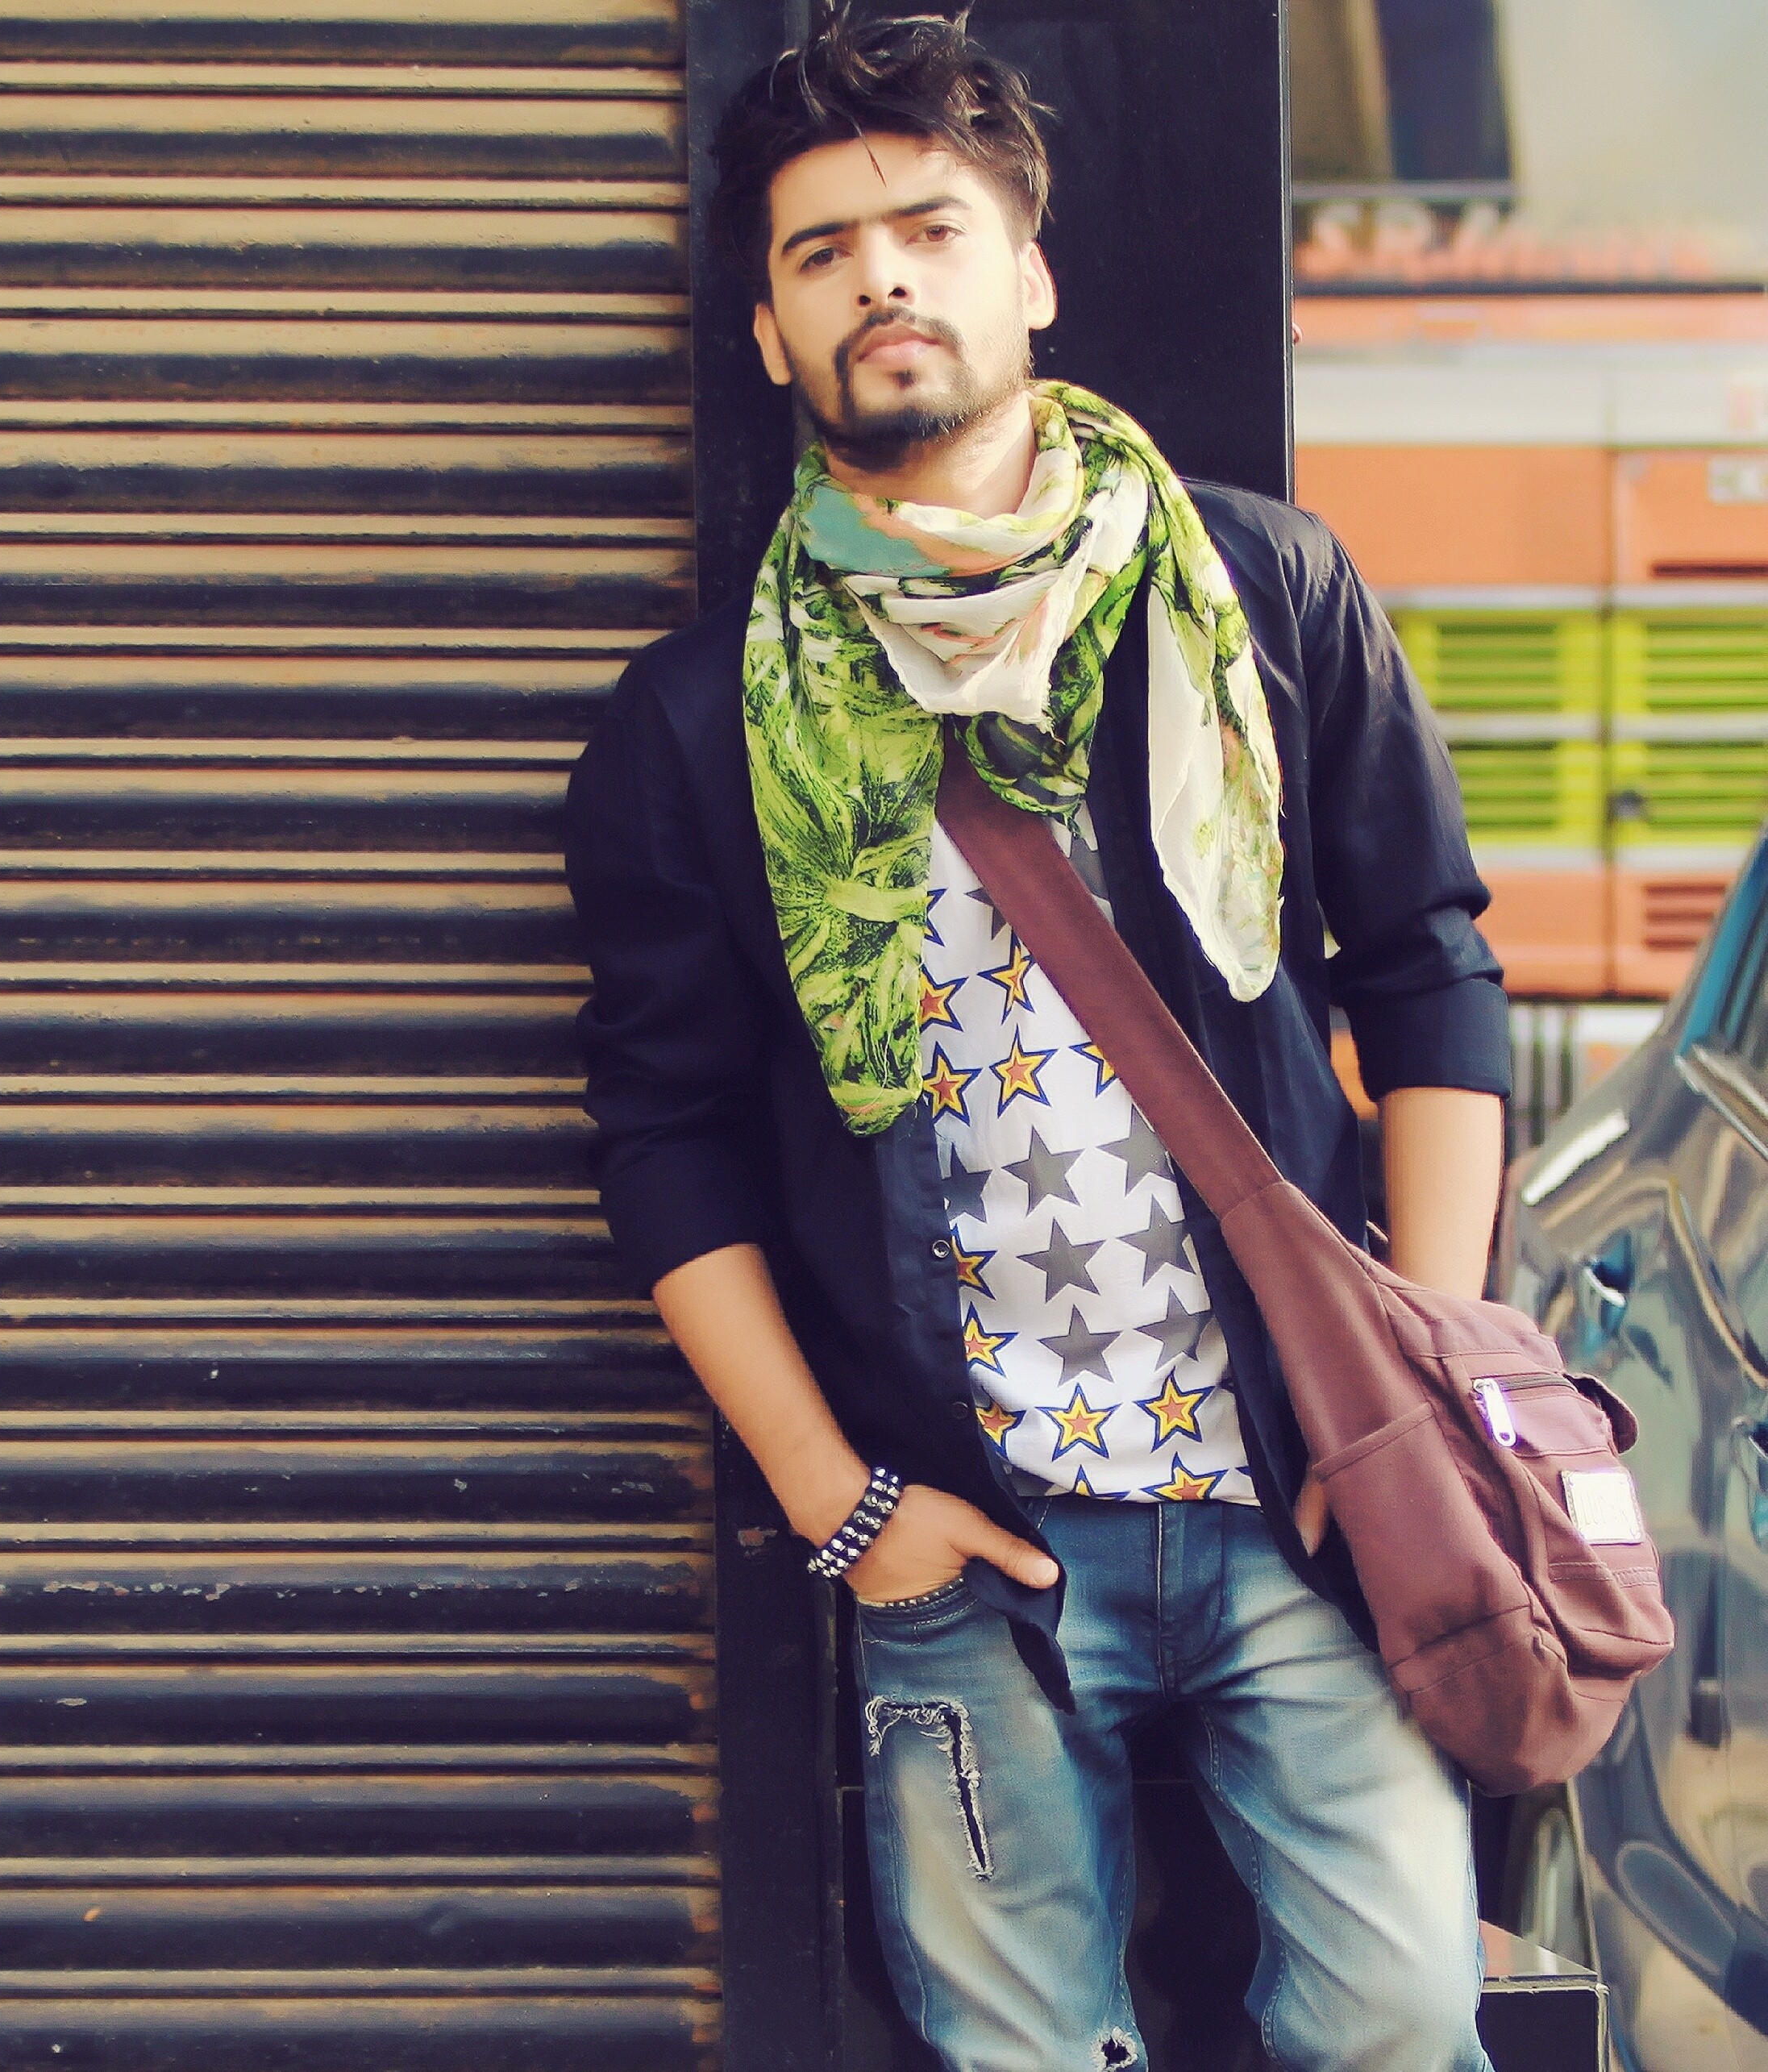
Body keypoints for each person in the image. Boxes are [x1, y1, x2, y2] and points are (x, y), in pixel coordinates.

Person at [564, 15, 1507, 2069]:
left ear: (1029, 276)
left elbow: (1429, 975)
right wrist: (841, 1505)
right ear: (767, 331)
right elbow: (663, 1131)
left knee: (1400, 2017)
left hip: (1296, 1496)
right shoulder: (695, 725)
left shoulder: (1256, 595)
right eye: (822, 252)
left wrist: (1409, 1411)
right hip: (966, 1538)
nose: (880, 279)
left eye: (929, 229)